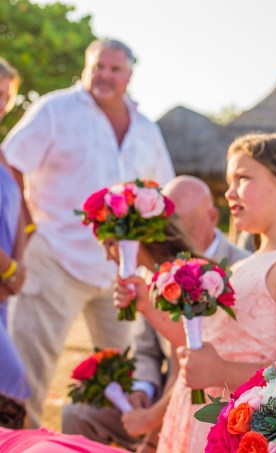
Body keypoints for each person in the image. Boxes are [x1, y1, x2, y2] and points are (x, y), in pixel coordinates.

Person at [115, 132, 276, 452]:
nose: (230, 193)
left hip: (241, 432)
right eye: (230, 181)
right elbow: (211, 341)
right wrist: (146, 304)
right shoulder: (248, 264)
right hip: (200, 421)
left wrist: (220, 372)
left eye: (243, 178)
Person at [1, 38, 175, 427]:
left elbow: (163, 192)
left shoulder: (146, 129)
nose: (104, 76)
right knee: (28, 375)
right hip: (54, 255)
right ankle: (17, 446)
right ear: (85, 67)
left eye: (114, 69)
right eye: (97, 67)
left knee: (123, 373)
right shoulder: (55, 109)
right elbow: (10, 163)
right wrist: (28, 229)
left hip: (120, 271)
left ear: (129, 75)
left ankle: (108, 441)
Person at [61, 176, 250, 451]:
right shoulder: (154, 277)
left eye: (111, 244)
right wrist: (142, 389)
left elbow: (190, 361)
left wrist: (151, 426)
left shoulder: (223, 273)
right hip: (167, 391)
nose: (108, 256)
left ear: (133, 236)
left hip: (213, 398)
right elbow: (147, 350)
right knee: (76, 413)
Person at [0, 56, 29, 429]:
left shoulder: (3, 153)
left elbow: (19, 212)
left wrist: (19, 267)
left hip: (4, 293)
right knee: (13, 389)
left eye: (6, 97)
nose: (1, 105)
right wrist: (9, 270)